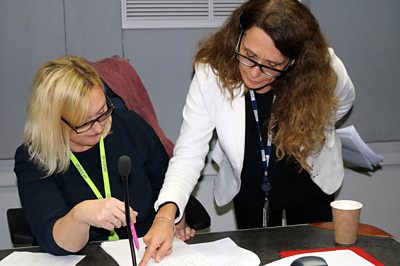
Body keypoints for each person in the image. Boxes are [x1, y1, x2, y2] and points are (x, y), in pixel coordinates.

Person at [140, 0, 355, 265]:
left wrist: (309, 124)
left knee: (314, 259)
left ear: (295, 62)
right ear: (238, 36)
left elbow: (342, 102)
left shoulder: (324, 68)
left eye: (272, 64)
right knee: (256, 258)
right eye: (249, 56)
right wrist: (165, 215)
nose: (254, 73)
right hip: (249, 186)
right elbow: (188, 154)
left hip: (310, 180)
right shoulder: (211, 73)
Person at [14, 56, 193, 255]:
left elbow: (167, 185)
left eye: (102, 112)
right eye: (84, 122)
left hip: (147, 251)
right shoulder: (34, 158)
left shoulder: (130, 127)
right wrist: (81, 215)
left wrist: (174, 222)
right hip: (84, 258)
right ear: (52, 120)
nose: (99, 127)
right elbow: (53, 241)